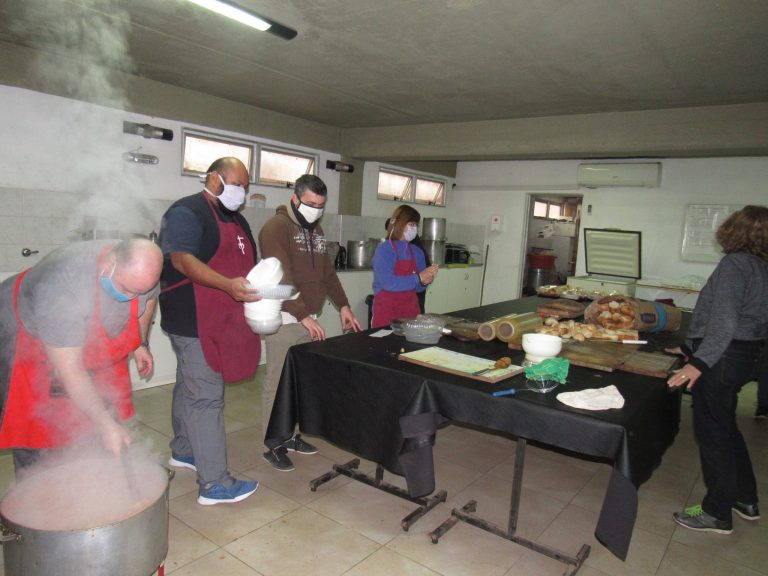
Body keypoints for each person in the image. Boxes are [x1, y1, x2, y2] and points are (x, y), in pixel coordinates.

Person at [0, 238, 162, 475]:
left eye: (138, 291)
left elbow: (148, 298)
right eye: (126, 289)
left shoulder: (143, 270)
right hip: (22, 336)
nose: (130, 297)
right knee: (40, 430)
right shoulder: (61, 288)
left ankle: (92, 482)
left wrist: (140, 343)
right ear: (109, 263)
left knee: (97, 419)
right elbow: (69, 369)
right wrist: (106, 425)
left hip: (72, 337)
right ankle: (36, 493)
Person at [159, 157, 262, 505]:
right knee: (206, 396)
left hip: (222, 320)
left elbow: (248, 268)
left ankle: (184, 449)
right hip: (193, 318)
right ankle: (215, 483)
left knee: (190, 384)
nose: (242, 192)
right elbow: (182, 260)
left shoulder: (238, 220)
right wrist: (228, 285)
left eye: (246, 187)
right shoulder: (187, 212)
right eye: (237, 184)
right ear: (215, 178)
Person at [666, 205, 768, 534]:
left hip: (722, 360)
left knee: (714, 436)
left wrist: (698, 361)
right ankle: (745, 499)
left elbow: (725, 321)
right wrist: (688, 346)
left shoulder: (736, 264)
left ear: (735, 230)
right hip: (746, 356)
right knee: (726, 429)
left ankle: (716, 512)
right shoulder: (761, 266)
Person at [259, 174, 362, 471]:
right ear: (295, 198)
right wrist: (302, 314)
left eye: (320, 205)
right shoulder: (275, 229)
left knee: (299, 383)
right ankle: (272, 443)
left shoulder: (315, 229)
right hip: (285, 319)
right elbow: (279, 279)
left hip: (308, 318)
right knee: (277, 382)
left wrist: (343, 305)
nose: (316, 209)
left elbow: (327, 273)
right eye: (310, 203)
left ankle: (290, 435)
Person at [371, 205, 439, 329]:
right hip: (386, 313)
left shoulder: (416, 252)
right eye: (411, 224)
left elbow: (418, 289)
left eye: (416, 225)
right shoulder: (384, 250)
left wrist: (425, 281)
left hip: (410, 312)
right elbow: (389, 283)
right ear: (400, 224)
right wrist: (418, 278)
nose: (414, 228)